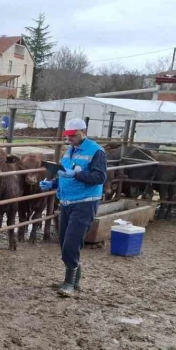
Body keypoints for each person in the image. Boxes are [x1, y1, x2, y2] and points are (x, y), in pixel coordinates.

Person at [39, 118, 107, 297]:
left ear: (83, 132)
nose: (69, 139)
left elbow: (99, 177)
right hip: (67, 202)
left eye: (73, 136)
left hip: (85, 202)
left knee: (71, 243)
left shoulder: (96, 151)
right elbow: (65, 175)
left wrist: (75, 174)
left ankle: (69, 282)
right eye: (67, 136)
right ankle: (73, 280)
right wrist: (53, 184)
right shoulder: (70, 150)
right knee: (64, 242)